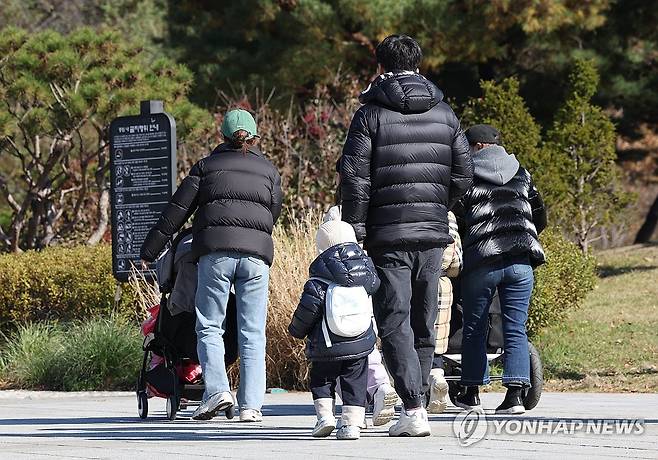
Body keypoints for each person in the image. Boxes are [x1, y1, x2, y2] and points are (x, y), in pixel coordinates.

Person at [339, 34, 473, 437]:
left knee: (394, 317)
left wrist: (356, 228)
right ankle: (420, 400)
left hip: (387, 233)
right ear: (419, 62)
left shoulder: (371, 114)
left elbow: (354, 177)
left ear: (381, 65)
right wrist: (436, 205)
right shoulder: (446, 113)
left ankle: (413, 406)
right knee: (424, 317)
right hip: (433, 233)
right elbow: (464, 174)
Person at [141, 109, 282, 422]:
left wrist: (150, 249)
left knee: (209, 326)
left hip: (215, 255)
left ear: (223, 136)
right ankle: (250, 407)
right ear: (255, 136)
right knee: (252, 332)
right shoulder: (268, 171)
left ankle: (217, 390)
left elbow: (176, 211)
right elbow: (273, 213)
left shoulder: (206, 167)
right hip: (256, 258)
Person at [454, 124, 546, 415]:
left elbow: (457, 219)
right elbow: (539, 215)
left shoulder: (466, 177)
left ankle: (471, 393)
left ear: (478, 147)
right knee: (515, 327)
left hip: (483, 259)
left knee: (474, 327)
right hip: (521, 260)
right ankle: (516, 397)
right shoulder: (523, 172)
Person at [288, 219, 380, 440]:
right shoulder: (367, 275)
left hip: (326, 343)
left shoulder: (318, 279)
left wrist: (296, 330)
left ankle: (325, 418)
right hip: (360, 340)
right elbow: (377, 288)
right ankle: (352, 425)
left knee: (322, 380)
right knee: (355, 382)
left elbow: (307, 311)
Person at [323, 203, 398, 427]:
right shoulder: (378, 208)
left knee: (340, 357)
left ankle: (356, 410)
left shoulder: (336, 213)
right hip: (365, 298)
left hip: (338, 307)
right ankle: (381, 387)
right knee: (368, 346)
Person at [427, 210, 462, 414]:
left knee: (416, 337)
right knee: (437, 339)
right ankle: (438, 376)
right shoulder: (448, 214)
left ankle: (421, 387)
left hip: (411, 280)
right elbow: (457, 261)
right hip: (441, 283)